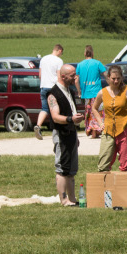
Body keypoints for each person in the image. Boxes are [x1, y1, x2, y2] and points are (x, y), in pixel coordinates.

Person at [47, 64, 85, 206]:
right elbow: (55, 117)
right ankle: (63, 200)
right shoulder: (54, 93)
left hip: (71, 133)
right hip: (61, 134)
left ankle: (72, 199)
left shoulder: (69, 91)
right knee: (62, 168)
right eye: (72, 75)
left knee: (71, 169)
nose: (75, 77)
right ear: (63, 76)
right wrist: (70, 119)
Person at [75, 45, 107, 139]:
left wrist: (79, 91)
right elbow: (105, 74)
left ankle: (91, 130)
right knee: (98, 111)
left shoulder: (80, 65)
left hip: (86, 93)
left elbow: (76, 80)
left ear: (84, 53)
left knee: (89, 112)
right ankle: (97, 130)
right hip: (97, 93)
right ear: (92, 53)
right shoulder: (97, 63)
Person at [34, 44, 64, 139]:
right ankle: (57, 130)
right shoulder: (59, 61)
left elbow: (39, 75)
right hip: (53, 88)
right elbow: (59, 76)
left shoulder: (43, 59)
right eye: (61, 53)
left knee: (45, 109)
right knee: (56, 109)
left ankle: (38, 125)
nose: (61, 55)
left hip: (43, 86)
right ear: (59, 51)